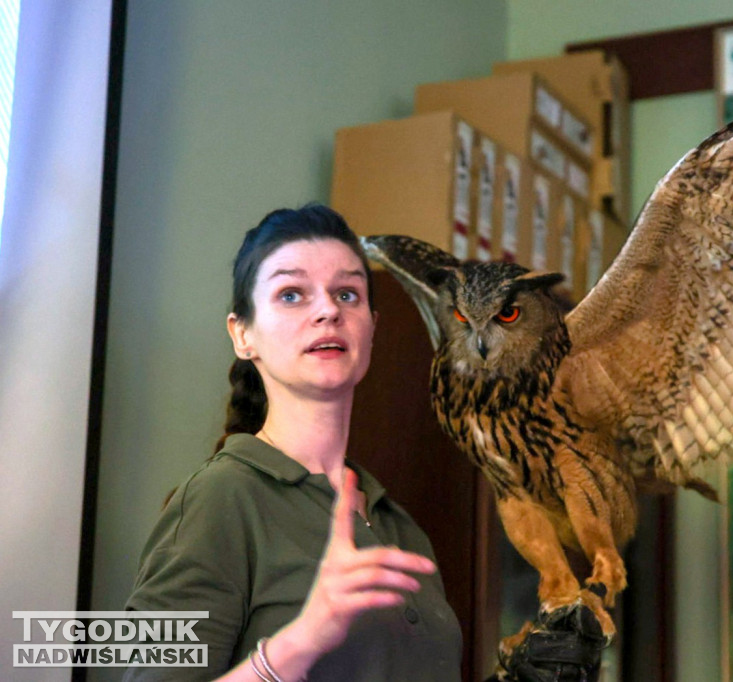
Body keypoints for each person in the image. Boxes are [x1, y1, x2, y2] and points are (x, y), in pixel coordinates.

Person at [123, 204, 604, 682]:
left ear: (372, 327)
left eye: (347, 294)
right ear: (242, 334)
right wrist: (301, 640)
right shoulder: (219, 499)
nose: (328, 310)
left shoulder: (400, 528)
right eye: (291, 294)